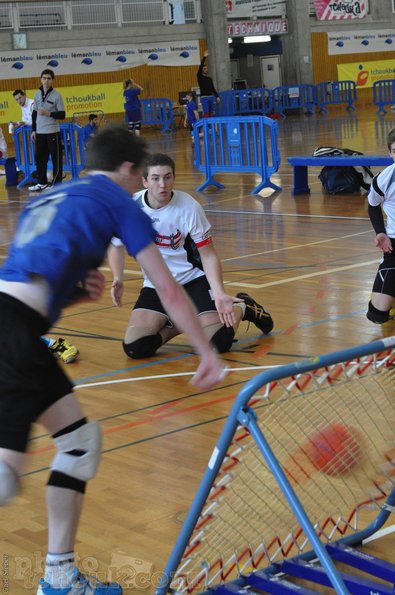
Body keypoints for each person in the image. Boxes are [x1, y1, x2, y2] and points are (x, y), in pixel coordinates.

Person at [0, 125, 225, 594]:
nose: (142, 183)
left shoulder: (54, 194)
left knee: (80, 444)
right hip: (11, 332)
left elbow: (31, 277)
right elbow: (166, 287)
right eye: (140, 175)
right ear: (129, 170)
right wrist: (205, 351)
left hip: (16, 325)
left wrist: (75, 295)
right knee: (4, 478)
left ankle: (59, 577)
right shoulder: (121, 202)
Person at [108, 153, 274, 359]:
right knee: (136, 347)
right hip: (157, 286)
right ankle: (176, 323)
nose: (162, 185)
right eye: (156, 178)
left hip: (193, 280)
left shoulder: (189, 207)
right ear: (144, 181)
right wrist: (118, 278)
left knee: (218, 342)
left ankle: (243, 306)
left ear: (174, 179)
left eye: (168, 177)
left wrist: (220, 293)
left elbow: (208, 255)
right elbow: (115, 245)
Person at [366, 126, 395, 325]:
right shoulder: (384, 179)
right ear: (390, 153)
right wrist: (381, 233)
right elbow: (373, 205)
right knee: (377, 315)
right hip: (394, 244)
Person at [29, 69, 65, 192]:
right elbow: (34, 113)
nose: (46, 80)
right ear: (41, 79)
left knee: (56, 159)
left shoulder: (57, 95)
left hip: (52, 132)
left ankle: (57, 184)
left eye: (49, 78)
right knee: (40, 159)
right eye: (44, 78)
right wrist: (34, 129)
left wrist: (48, 113)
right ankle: (42, 182)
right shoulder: (36, 94)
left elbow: (62, 114)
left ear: (52, 80)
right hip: (39, 133)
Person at [197, 50, 220, 117]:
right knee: (206, 113)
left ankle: (211, 126)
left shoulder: (209, 79)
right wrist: (204, 57)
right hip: (204, 97)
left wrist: (217, 96)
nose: (206, 70)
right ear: (201, 70)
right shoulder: (199, 77)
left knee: (211, 113)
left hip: (211, 97)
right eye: (204, 69)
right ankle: (207, 127)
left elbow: (213, 88)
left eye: (206, 69)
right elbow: (201, 65)